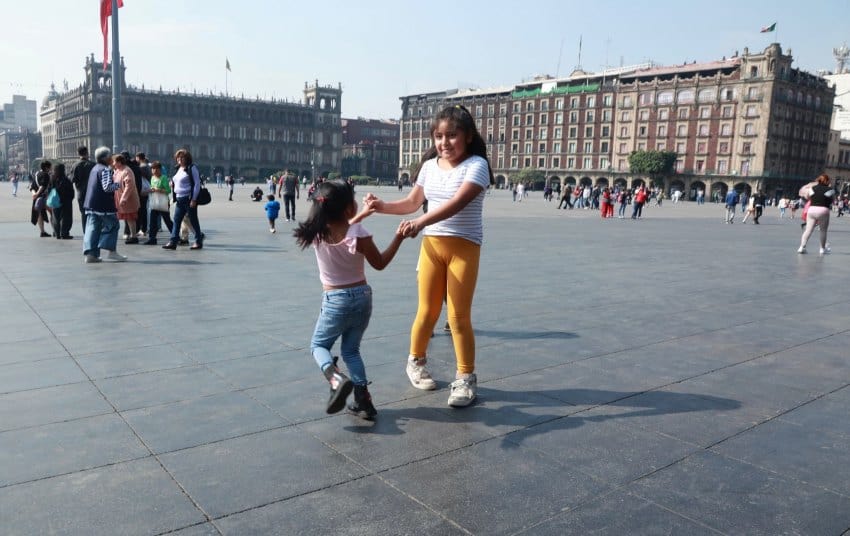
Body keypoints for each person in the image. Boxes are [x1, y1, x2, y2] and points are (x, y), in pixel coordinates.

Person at [364, 104, 493, 408]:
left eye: (452, 135)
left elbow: (457, 203)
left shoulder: (477, 165)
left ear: (468, 136)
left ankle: (465, 378)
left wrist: (421, 222)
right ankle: (415, 361)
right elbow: (412, 202)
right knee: (427, 310)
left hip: (464, 247)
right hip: (432, 247)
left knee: (458, 316)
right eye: (438, 136)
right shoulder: (429, 167)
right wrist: (381, 206)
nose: (444, 142)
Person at [294, 180, 405, 419]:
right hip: (362, 298)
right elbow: (380, 263)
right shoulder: (359, 234)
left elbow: (341, 231)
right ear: (347, 209)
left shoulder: (315, 233)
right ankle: (363, 400)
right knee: (351, 351)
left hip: (335, 299)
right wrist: (398, 237)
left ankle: (335, 378)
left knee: (319, 346)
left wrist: (362, 214)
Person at [83, 147, 127, 263]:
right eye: (110, 156)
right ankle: (111, 251)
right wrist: (118, 184)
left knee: (92, 228)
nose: (111, 159)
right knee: (113, 225)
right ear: (106, 158)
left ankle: (90, 255)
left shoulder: (95, 168)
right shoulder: (105, 170)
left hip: (92, 204)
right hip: (103, 205)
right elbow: (107, 187)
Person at [163, 149, 204, 250]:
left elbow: (197, 184)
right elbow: (176, 180)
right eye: (178, 157)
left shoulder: (191, 168)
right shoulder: (179, 168)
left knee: (193, 221)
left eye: (182, 157)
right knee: (177, 220)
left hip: (188, 198)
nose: (179, 159)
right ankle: (173, 241)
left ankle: (198, 241)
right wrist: (173, 183)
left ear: (187, 158)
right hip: (179, 198)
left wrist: (194, 199)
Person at [798, 174, 835, 255]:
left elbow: (807, 197)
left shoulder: (812, 188)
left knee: (808, 230)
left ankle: (802, 247)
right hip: (823, 210)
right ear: (827, 181)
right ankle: (822, 249)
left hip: (812, 210)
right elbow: (832, 200)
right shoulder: (830, 190)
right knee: (823, 230)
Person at [112, 154, 140, 244]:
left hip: (128, 199)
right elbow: (116, 183)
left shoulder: (127, 171)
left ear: (119, 162)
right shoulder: (118, 170)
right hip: (121, 197)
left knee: (130, 217)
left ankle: (134, 236)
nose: (113, 163)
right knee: (128, 218)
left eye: (114, 161)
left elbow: (129, 185)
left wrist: (124, 198)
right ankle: (132, 235)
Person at [144, 161, 173, 245]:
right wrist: (151, 190)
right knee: (152, 221)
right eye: (153, 169)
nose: (154, 170)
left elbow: (168, 190)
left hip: (163, 202)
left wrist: (158, 190)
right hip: (155, 202)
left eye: (156, 168)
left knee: (167, 220)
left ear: (160, 169)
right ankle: (152, 238)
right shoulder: (152, 178)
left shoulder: (163, 178)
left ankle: (175, 236)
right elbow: (152, 188)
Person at [70, 146, 95, 233]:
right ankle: (92, 231)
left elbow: (71, 180)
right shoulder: (93, 165)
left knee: (83, 213)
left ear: (78, 153)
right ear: (87, 153)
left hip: (81, 192)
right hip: (92, 193)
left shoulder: (75, 165)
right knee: (93, 213)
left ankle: (86, 232)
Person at [49, 163, 75, 239]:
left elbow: (48, 190)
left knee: (55, 217)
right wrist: (70, 198)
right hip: (65, 201)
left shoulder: (52, 179)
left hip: (55, 201)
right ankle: (64, 233)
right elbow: (71, 191)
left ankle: (57, 233)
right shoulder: (66, 180)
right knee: (65, 217)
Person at [31, 161, 52, 237]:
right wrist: (37, 193)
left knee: (39, 214)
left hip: (37, 199)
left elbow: (32, 187)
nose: (51, 168)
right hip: (44, 197)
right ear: (47, 168)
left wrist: (34, 194)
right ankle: (56, 230)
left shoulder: (37, 174)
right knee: (52, 212)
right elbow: (42, 186)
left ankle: (42, 231)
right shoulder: (46, 175)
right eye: (50, 167)